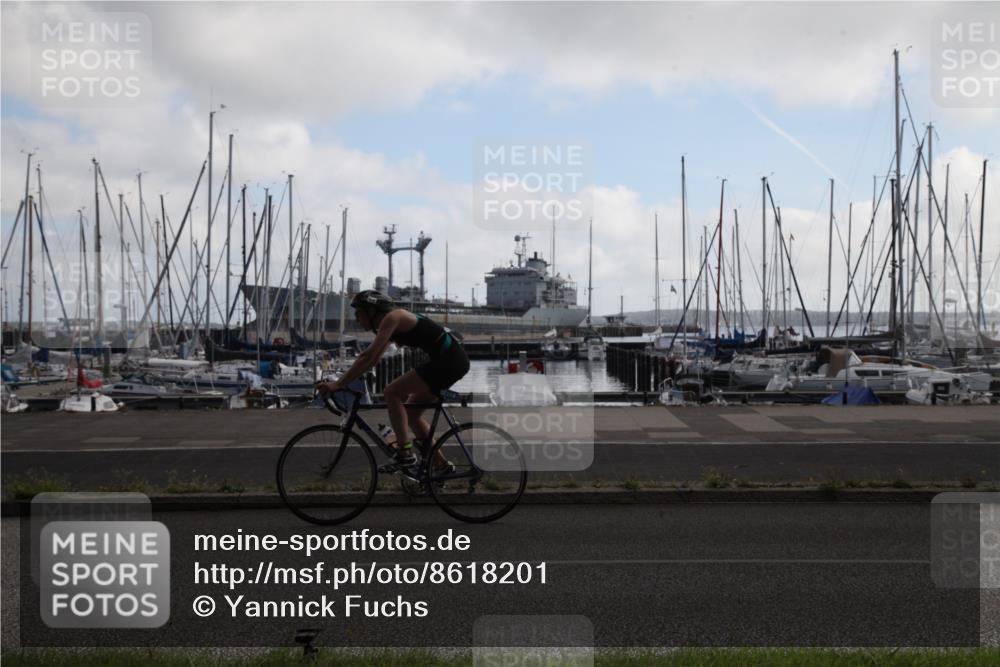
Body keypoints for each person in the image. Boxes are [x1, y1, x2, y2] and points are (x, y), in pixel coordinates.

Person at [315, 290, 470, 470]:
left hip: (448, 361)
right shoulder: (391, 325)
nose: (357, 319)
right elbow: (373, 359)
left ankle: (405, 453)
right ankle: (441, 466)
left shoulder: (393, 317)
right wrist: (343, 381)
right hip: (449, 361)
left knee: (392, 392)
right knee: (412, 416)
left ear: (372, 311)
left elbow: (368, 355)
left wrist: (339, 384)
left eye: (359, 313)